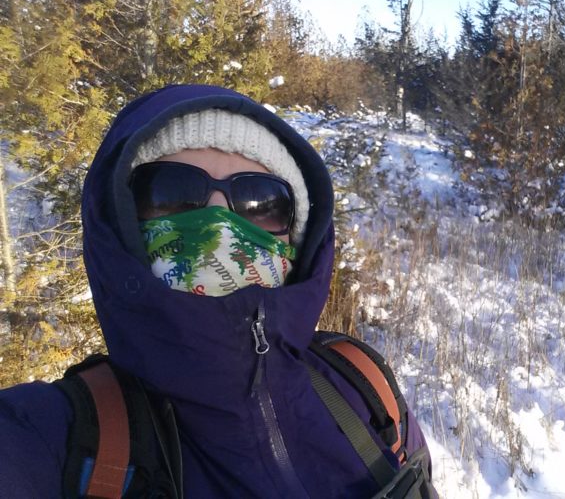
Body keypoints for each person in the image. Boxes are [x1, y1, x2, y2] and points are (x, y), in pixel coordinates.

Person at [0, 85, 433, 497]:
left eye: (259, 201)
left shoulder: (364, 386)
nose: (219, 220)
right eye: (172, 193)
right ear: (121, 224)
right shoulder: (52, 439)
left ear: (296, 237)